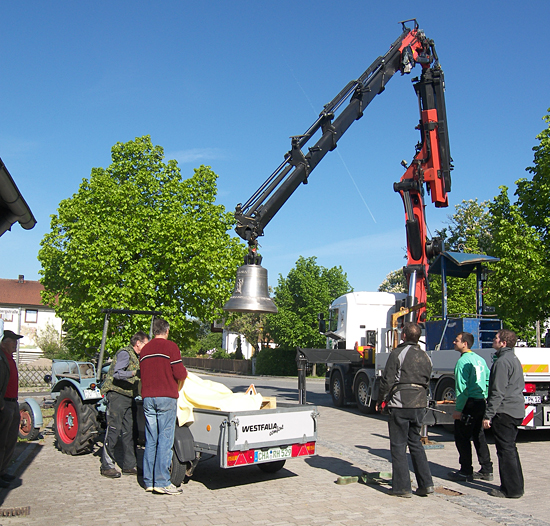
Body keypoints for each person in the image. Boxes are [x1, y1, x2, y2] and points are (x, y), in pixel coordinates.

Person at [376, 322, 433, 498]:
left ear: (404, 336)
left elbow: (387, 380)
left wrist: (380, 400)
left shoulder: (398, 353)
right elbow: (427, 379)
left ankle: (402, 487)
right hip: (420, 404)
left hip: (401, 403)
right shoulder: (426, 356)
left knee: (398, 446)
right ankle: (426, 484)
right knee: (415, 443)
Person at [139, 318, 187, 495]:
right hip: (166, 398)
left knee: (151, 440)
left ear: (153, 331)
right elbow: (180, 373)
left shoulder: (144, 350)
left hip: (148, 399)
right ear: (166, 331)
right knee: (165, 440)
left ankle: (149, 481)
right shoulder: (170, 347)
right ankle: (162, 481)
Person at [100, 331, 149, 478]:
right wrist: (134, 373)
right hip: (117, 395)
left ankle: (129, 465)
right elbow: (117, 373)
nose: (147, 346)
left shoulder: (137, 356)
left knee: (130, 431)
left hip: (130, 396)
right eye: (146, 343)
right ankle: (107, 466)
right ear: (138, 343)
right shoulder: (125, 353)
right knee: (114, 428)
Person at [483, 329, 525, 498]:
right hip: (515, 409)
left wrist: (488, 415)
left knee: (505, 451)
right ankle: (516, 485)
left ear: (503, 343)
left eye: (496, 338)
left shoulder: (502, 362)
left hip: (505, 411)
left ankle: (510, 489)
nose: (493, 340)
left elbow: (497, 391)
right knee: (511, 449)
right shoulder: (513, 358)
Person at [447, 331, 493, 482]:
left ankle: (466, 471)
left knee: (462, 437)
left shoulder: (462, 362)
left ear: (464, 344)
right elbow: (487, 380)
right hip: (480, 401)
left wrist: (458, 409)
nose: (454, 342)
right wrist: (483, 396)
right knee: (479, 435)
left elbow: (461, 388)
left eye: (457, 340)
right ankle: (487, 468)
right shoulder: (479, 359)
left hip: (469, 402)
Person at [0, 330, 24, 489]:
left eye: (16, 342)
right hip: (4, 404)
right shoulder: (1, 357)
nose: (15, 345)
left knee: (10, 440)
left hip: (12, 402)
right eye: (13, 341)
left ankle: (2, 470)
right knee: (1, 441)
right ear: (4, 342)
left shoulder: (10, 358)